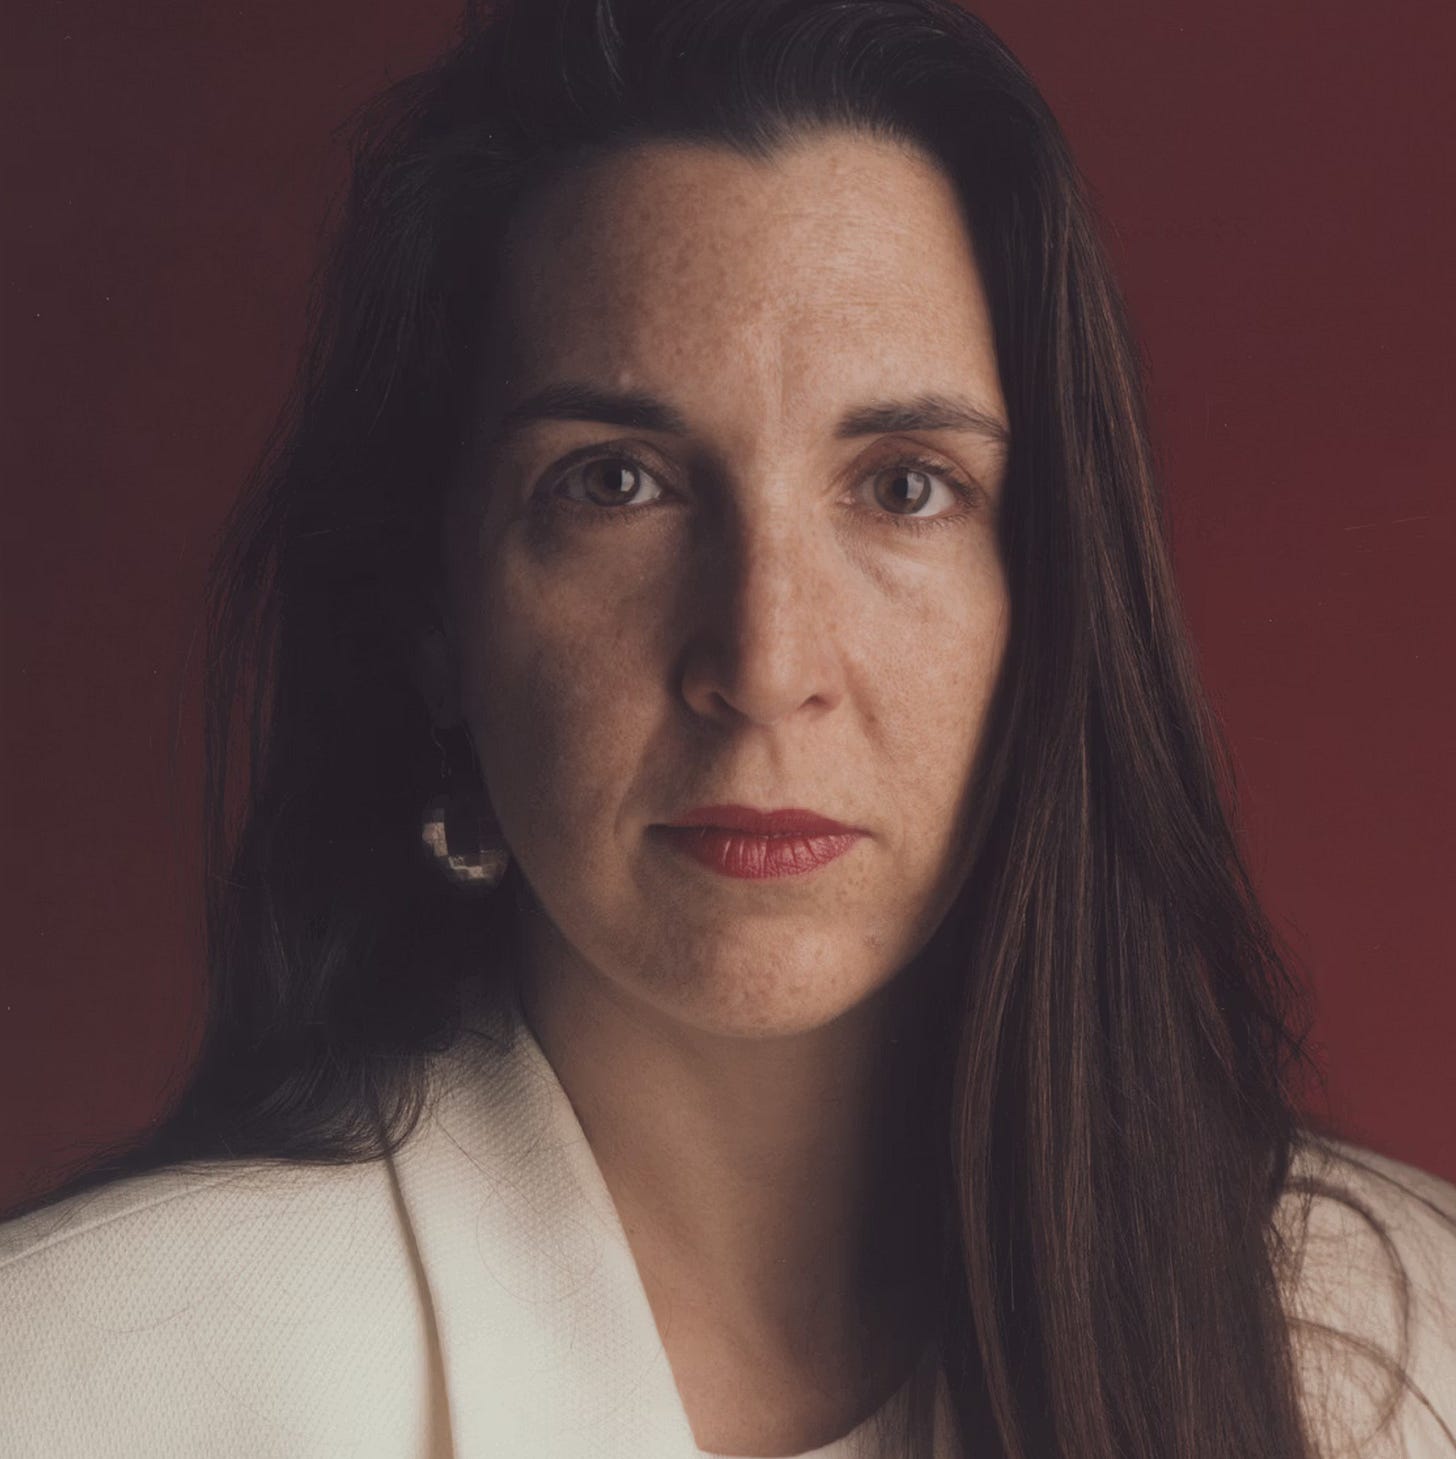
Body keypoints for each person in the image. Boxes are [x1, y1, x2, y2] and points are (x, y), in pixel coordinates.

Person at [2, 0, 1453, 1455]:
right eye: (615, 484)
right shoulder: (74, 1386)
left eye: (903, 487)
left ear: (1056, 595)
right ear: (436, 617)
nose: (764, 664)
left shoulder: (1411, 1356)